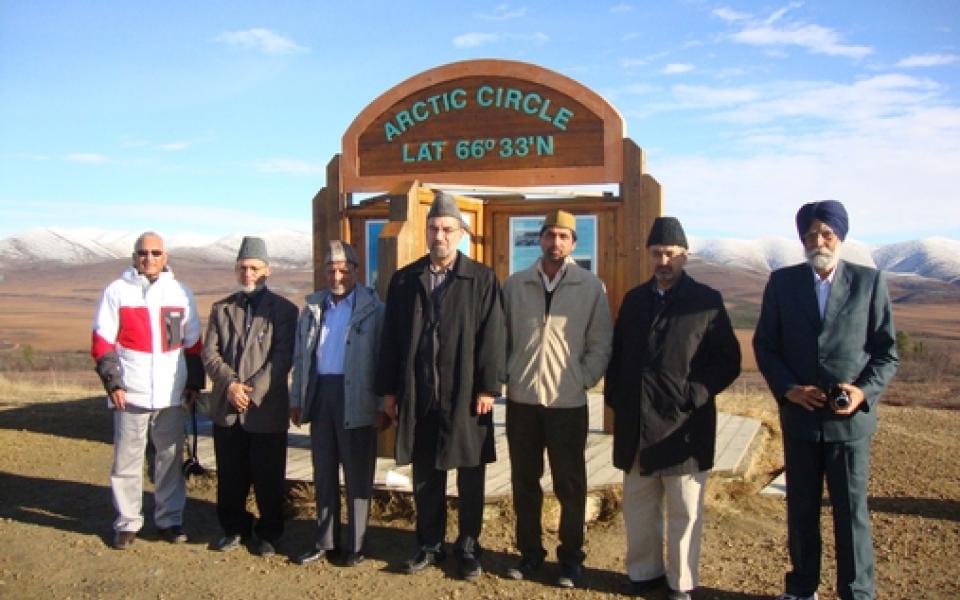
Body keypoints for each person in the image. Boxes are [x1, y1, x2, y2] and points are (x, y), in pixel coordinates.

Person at [753, 200, 898, 600]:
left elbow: (887, 352)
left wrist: (862, 391)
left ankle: (857, 592)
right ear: (802, 239)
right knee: (801, 510)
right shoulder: (782, 283)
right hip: (800, 418)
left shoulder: (869, 283)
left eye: (826, 233)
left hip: (849, 424)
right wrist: (789, 389)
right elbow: (765, 346)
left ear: (840, 237)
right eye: (811, 234)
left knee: (851, 514)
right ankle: (801, 589)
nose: (819, 240)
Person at [605, 217, 741, 600]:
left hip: (685, 426)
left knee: (685, 511)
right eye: (656, 253)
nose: (663, 261)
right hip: (637, 424)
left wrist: (694, 395)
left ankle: (681, 582)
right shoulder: (634, 300)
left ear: (684, 256)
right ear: (648, 255)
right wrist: (617, 396)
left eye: (670, 254)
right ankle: (643, 573)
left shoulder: (706, 302)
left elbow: (727, 361)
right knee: (639, 509)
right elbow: (617, 357)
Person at [376, 191, 505, 582]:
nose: (440, 235)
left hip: (466, 395)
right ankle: (429, 543)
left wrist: (487, 388)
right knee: (427, 474)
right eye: (434, 228)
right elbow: (392, 340)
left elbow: (493, 336)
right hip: (421, 393)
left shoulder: (480, 279)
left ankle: (468, 545)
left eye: (448, 228)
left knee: (470, 473)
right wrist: (390, 390)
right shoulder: (405, 280)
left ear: (461, 233)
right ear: (426, 231)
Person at [502, 209, 612, 588]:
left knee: (570, 484)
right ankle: (529, 553)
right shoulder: (516, 285)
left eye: (563, 236)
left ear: (573, 243)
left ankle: (571, 558)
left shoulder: (591, 287)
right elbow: (501, 337)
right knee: (524, 482)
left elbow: (600, 343)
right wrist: (508, 375)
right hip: (522, 401)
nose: (555, 242)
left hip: (568, 404)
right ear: (540, 239)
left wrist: (582, 379)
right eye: (549, 235)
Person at [91, 231, 203, 550]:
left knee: (169, 459)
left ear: (165, 256)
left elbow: (193, 342)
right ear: (134, 256)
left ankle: (169, 519)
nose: (149, 258)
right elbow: (102, 342)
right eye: (143, 253)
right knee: (127, 460)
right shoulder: (117, 292)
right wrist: (113, 383)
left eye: (155, 253)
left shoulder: (180, 293)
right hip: (131, 394)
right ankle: (127, 522)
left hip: (170, 393)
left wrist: (193, 382)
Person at [289, 241, 386, 567]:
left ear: (356, 271)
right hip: (321, 395)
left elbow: (383, 360)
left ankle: (357, 544)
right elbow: (301, 356)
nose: (337, 275)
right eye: (330, 269)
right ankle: (325, 539)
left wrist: (381, 404)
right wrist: (297, 398)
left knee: (357, 474)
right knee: (324, 472)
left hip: (357, 395)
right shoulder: (314, 308)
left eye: (344, 269)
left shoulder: (374, 309)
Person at [201, 236, 298, 557]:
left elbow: (283, 357)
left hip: (265, 409)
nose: (248, 273)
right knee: (231, 475)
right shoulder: (221, 308)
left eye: (254, 267)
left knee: (269, 476)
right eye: (243, 267)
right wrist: (230, 385)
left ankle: (270, 533)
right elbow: (210, 353)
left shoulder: (284, 311)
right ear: (235, 269)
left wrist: (251, 391)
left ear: (267, 270)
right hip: (227, 407)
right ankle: (234, 528)